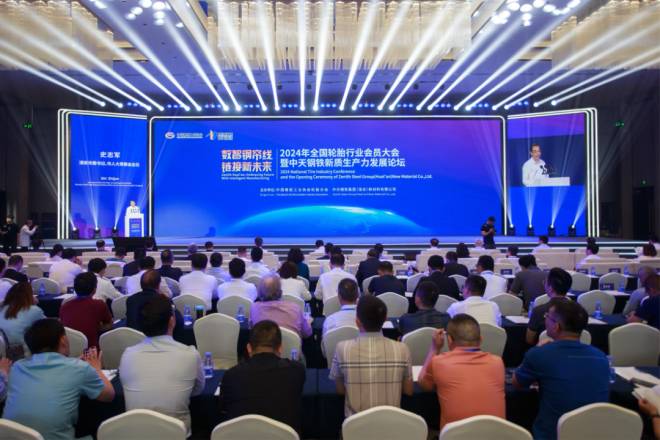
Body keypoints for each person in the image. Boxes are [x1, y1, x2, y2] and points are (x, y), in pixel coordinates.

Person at [3, 318, 115, 440]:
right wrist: (96, 369)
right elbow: (109, 395)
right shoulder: (79, 368)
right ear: (63, 340)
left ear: (31, 351)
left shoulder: (17, 367)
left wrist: (73, 364)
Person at [513, 301, 609, 440]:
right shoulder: (600, 357)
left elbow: (517, 383)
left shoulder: (540, 354)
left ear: (555, 326)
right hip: (594, 434)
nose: (545, 319)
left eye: (547, 316)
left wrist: (535, 351)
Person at [120, 295, 204, 437]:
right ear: (171, 320)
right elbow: (197, 390)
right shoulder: (189, 354)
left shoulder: (127, 355)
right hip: (177, 435)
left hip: (135, 435)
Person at [330, 295, 413, 416]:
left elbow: (340, 390)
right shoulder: (402, 349)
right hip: (391, 424)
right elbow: (408, 390)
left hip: (355, 425)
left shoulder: (342, 349)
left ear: (357, 321)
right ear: (385, 319)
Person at [418, 315, 505, 430]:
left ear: (449, 340)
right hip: (496, 435)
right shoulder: (498, 363)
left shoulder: (438, 362)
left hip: (455, 435)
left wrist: (434, 348)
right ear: (480, 339)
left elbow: (423, 385)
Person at [220, 320, 306, 436]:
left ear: (249, 348)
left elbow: (224, 411)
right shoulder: (297, 370)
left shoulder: (230, 376)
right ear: (280, 347)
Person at [249, 276, 313, 354]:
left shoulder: (254, 307)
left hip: (262, 357)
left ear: (259, 293)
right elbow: (307, 333)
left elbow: (252, 326)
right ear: (280, 292)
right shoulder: (295, 308)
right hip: (292, 359)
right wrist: (308, 321)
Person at [60, 272, 114, 348]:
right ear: (94, 289)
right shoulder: (99, 304)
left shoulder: (64, 306)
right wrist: (93, 327)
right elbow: (109, 325)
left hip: (68, 351)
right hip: (90, 352)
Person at [526, 268, 572, 345]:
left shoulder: (539, 311)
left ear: (550, 289)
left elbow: (530, 340)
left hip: (544, 351)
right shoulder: (579, 311)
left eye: (545, 283)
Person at [0, 283, 46, 356]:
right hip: (22, 355)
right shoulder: (34, 310)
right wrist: (33, 305)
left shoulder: (2, 309)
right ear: (29, 296)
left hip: (2, 354)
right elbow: (49, 329)